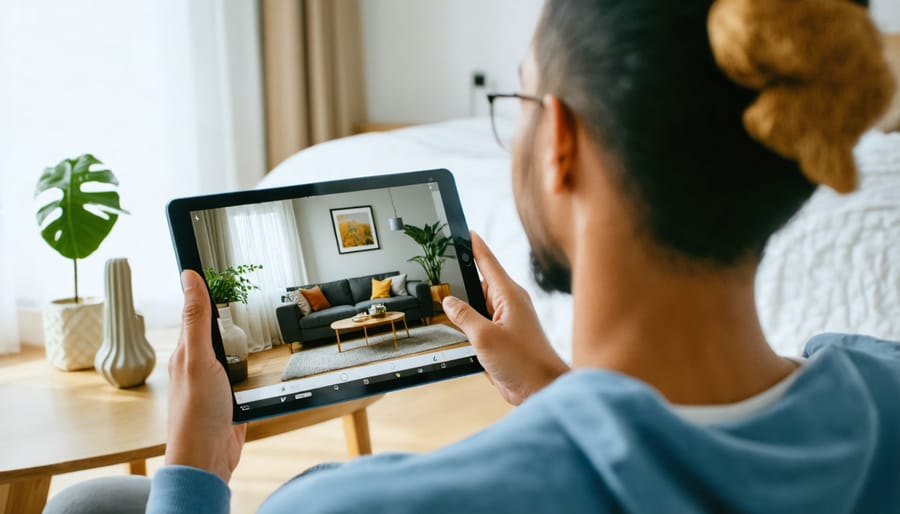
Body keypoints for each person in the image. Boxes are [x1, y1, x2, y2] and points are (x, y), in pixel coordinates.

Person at [46, 0, 900, 512]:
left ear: (559, 140)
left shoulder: (356, 504)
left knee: (89, 504)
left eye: (522, 100)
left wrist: (193, 472)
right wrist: (556, 393)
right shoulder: (885, 392)